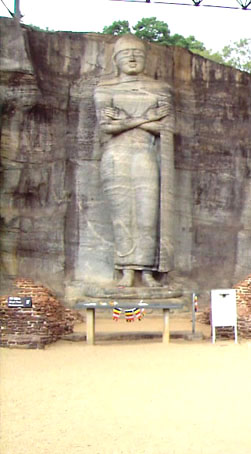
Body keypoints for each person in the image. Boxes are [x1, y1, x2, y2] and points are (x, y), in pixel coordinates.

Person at [94, 34, 174, 287]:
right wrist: (147, 118)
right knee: (122, 215)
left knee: (148, 214)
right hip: (116, 156)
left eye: (138, 53)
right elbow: (106, 127)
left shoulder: (160, 89)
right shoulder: (105, 88)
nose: (132, 57)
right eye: (126, 53)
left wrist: (123, 120)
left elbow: (166, 127)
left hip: (145, 154)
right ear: (115, 60)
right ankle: (126, 269)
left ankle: (147, 270)